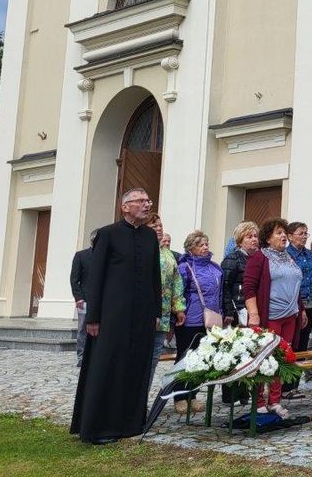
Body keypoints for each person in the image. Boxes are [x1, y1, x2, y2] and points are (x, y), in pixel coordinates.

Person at [70, 188, 161, 445]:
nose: (146, 205)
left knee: (136, 366)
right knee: (107, 367)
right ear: (125, 207)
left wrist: (156, 312)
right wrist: (93, 317)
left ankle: (130, 423)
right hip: (112, 316)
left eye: (148, 201)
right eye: (141, 201)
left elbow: (155, 277)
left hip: (142, 316)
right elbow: (95, 278)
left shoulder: (150, 237)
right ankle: (99, 427)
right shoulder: (107, 234)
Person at [243, 218, 308, 418]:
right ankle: (259, 401)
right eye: (278, 233)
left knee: (281, 359)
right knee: (264, 358)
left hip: (290, 316)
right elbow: (249, 287)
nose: (283, 236)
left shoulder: (289, 257)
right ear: (268, 238)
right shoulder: (260, 257)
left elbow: (294, 284)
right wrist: (254, 313)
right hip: (268, 316)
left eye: (284, 233)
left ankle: (274, 401)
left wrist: (302, 309)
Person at [174, 230, 223, 414]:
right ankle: (179, 396)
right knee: (185, 358)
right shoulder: (184, 267)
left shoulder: (215, 267)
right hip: (190, 319)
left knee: (201, 359)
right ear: (190, 248)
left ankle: (192, 394)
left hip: (211, 318)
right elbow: (178, 293)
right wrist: (178, 313)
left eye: (206, 244)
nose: (205, 247)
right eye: (200, 244)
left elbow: (220, 293)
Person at [285, 221, 312, 398]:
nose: (303, 236)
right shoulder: (286, 254)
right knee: (290, 343)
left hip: (309, 305)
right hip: (292, 306)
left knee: (302, 343)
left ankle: (294, 384)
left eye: (306, 233)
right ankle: (285, 385)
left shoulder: (309, 255)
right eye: (301, 233)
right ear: (290, 235)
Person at [146, 215, 184, 396]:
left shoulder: (167, 253)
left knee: (153, 358)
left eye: (160, 225)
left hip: (163, 316)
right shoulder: (143, 249)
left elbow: (177, 282)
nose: (159, 228)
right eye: (154, 225)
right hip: (144, 313)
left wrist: (179, 307)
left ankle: (142, 398)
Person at [221, 221, 259, 327]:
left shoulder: (259, 259)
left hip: (254, 308)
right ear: (240, 241)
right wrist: (229, 311)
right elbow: (225, 285)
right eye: (249, 237)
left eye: (255, 236)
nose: (254, 239)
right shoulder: (233, 258)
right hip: (239, 309)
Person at [69, 231, 96, 367]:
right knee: (83, 329)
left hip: (102, 300)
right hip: (84, 300)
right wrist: (78, 298)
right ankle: (82, 356)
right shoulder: (81, 256)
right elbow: (74, 279)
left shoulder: (107, 257)